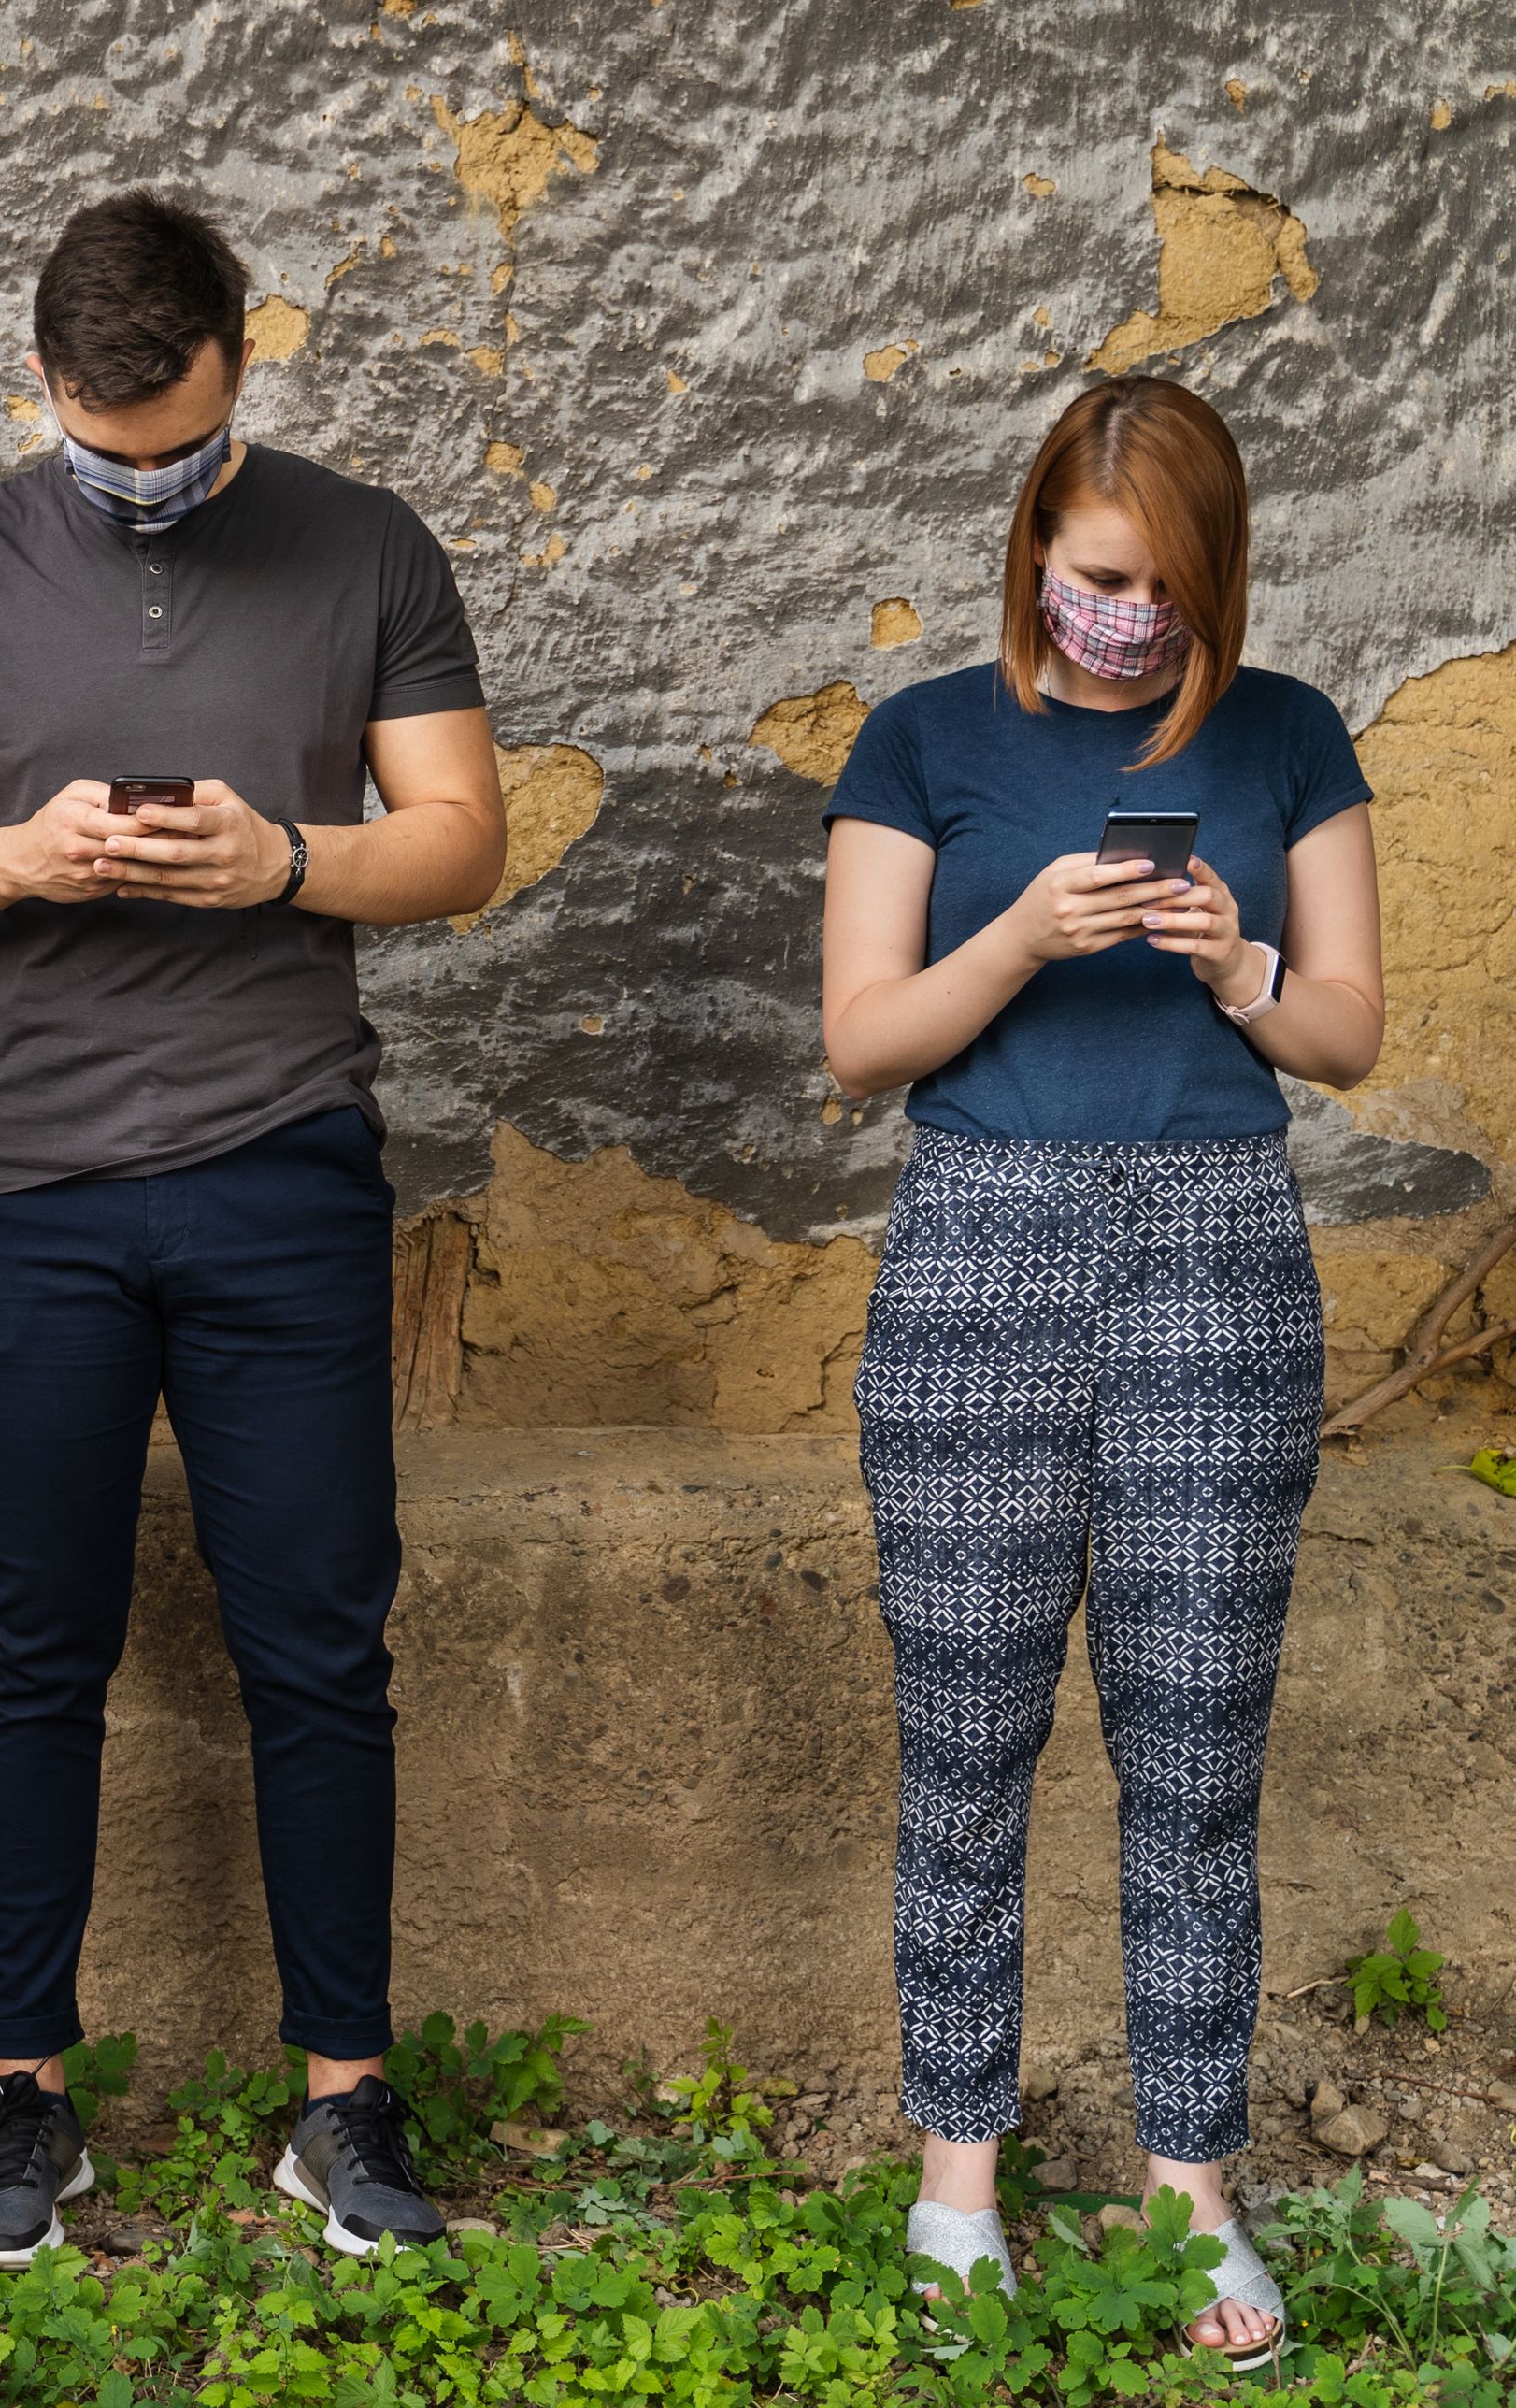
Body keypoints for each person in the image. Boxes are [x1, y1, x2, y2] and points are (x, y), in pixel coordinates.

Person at [0, 192, 506, 2265]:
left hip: (283, 1166)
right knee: (32, 1649)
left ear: (241, 364)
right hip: (19, 1193)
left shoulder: (368, 546)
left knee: (322, 1642)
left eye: (178, 444)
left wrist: (285, 858)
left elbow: (465, 838)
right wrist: (17, 854)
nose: (144, 483)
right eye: (102, 453)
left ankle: (345, 2104)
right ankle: (26, 2097)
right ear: (40, 390)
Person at [821, 376, 1380, 2370]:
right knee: (966, 1741)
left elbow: (1349, 1036)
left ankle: (1193, 2184)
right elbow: (864, 1037)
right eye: (1083, 574)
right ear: (1032, 548)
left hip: (1223, 1245)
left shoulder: (1293, 736)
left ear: (1209, 575)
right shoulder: (926, 739)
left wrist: (1236, 964)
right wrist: (1029, 938)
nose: (1110, 613)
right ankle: (954, 2176)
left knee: (1197, 1752)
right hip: (979, 1237)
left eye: (1150, 583)